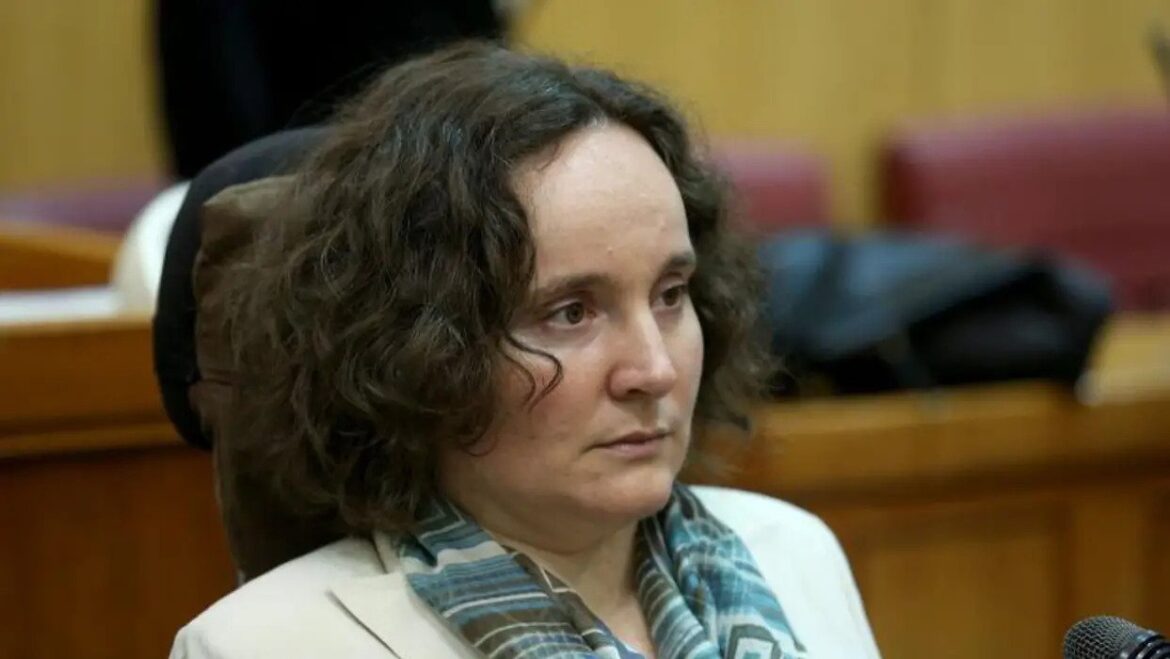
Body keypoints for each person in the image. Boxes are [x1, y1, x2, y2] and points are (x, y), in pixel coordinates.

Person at [169, 42, 881, 659]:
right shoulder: (261, 645)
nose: (654, 369)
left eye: (670, 295)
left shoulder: (794, 552)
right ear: (420, 353)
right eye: (570, 313)